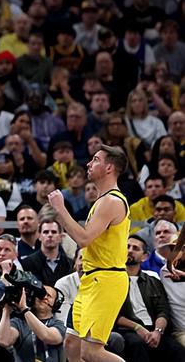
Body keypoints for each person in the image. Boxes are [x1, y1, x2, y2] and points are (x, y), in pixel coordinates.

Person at [47, 144, 130, 362]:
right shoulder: (102, 200)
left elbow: (83, 239)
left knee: (91, 352)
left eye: (95, 160)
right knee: (72, 344)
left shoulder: (111, 201)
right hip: (91, 279)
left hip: (106, 279)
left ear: (109, 167)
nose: (89, 164)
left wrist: (60, 208)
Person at [116, 235, 185, 362]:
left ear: (144, 257)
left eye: (135, 248)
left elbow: (163, 310)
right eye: (127, 247)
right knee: (137, 345)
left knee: (176, 349)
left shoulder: (153, 281)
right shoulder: (111, 282)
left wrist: (158, 331)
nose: (130, 250)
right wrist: (137, 328)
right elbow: (113, 314)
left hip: (154, 329)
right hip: (128, 330)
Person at [0, 285, 66, 362]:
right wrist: (6, 310)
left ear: (56, 304)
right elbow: (3, 341)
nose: (44, 297)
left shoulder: (59, 325)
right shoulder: (19, 322)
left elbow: (47, 336)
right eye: (41, 293)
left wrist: (24, 309)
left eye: (49, 295)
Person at [21, 219, 74, 286]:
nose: (50, 235)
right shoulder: (27, 263)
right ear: (39, 236)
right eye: (46, 232)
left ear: (60, 237)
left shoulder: (70, 264)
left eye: (54, 232)